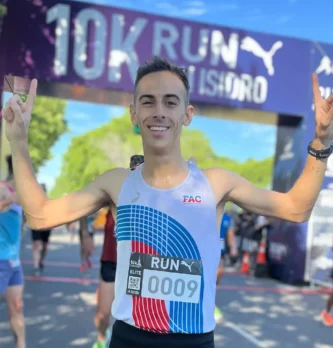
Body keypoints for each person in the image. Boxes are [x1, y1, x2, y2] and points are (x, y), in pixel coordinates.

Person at [3, 57, 333, 348]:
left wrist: (320, 142)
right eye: (147, 102)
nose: (158, 111)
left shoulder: (216, 183)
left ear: (187, 114)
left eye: (170, 102)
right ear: (134, 113)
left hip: (194, 341)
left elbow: (296, 208)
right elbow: (40, 216)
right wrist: (18, 142)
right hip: (129, 339)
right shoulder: (116, 183)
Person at [93, 154, 144, 348]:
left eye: (140, 171)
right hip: (111, 262)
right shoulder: (113, 195)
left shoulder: (151, 202)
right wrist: (85, 236)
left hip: (136, 265)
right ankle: (100, 340)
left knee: (135, 319)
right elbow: (84, 206)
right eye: (132, 171)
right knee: (103, 314)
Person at [0, 155, 25, 348]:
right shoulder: (4, 189)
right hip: (1, 261)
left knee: (16, 308)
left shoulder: (17, 197)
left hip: (14, 263)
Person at [214, 209, 237, 323]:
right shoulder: (206, 211)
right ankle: (210, 304)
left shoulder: (227, 218)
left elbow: (230, 232)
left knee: (218, 274)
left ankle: (211, 300)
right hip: (205, 248)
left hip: (220, 249)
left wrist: (233, 247)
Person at [29, 183, 52, 275]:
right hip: (36, 226)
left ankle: (40, 261)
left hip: (46, 227)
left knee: (44, 247)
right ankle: (36, 267)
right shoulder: (32, 202)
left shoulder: (49, 201)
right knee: (36, 246)